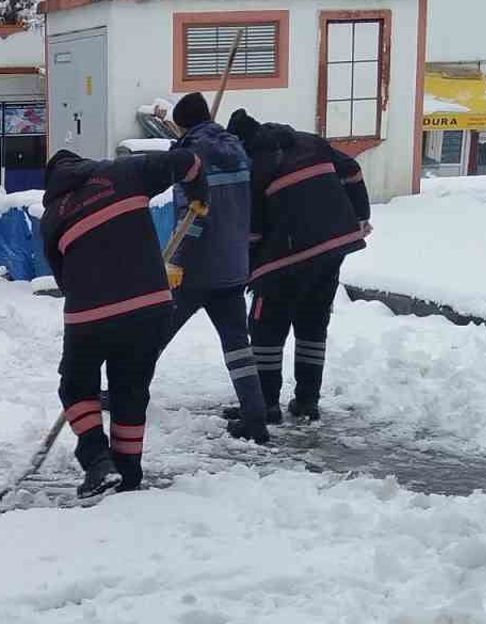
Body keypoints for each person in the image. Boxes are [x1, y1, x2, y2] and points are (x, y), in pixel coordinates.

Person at [42, 147, 208, 499]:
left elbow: (64, 279)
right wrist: (199, 190)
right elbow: (188, 161)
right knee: (129, 391)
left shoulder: (53, 215)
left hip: (89, 313)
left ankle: (97, 462)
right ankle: (129, 476)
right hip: (149, 306)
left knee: (76, 387)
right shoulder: (125, 172)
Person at [226, 109, 372, 423]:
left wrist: (247, 269)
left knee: (266, 328)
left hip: (286, 257)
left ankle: (266, 405)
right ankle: (307, 402)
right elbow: (352, 170)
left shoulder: (255, 165)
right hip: (332, 248)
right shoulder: (311, 142)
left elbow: (253, 231)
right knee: (312, 324)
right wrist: (361, 216)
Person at [163, 92, 270, 444]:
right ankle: (255, 416)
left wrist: (176, 260)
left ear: (183, 125)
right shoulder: (236, 149)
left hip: (196, 269)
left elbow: (192, 216)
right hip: (233, 264)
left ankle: (122, 395)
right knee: (238, 345)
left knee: (153, 332)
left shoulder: (191, 158)